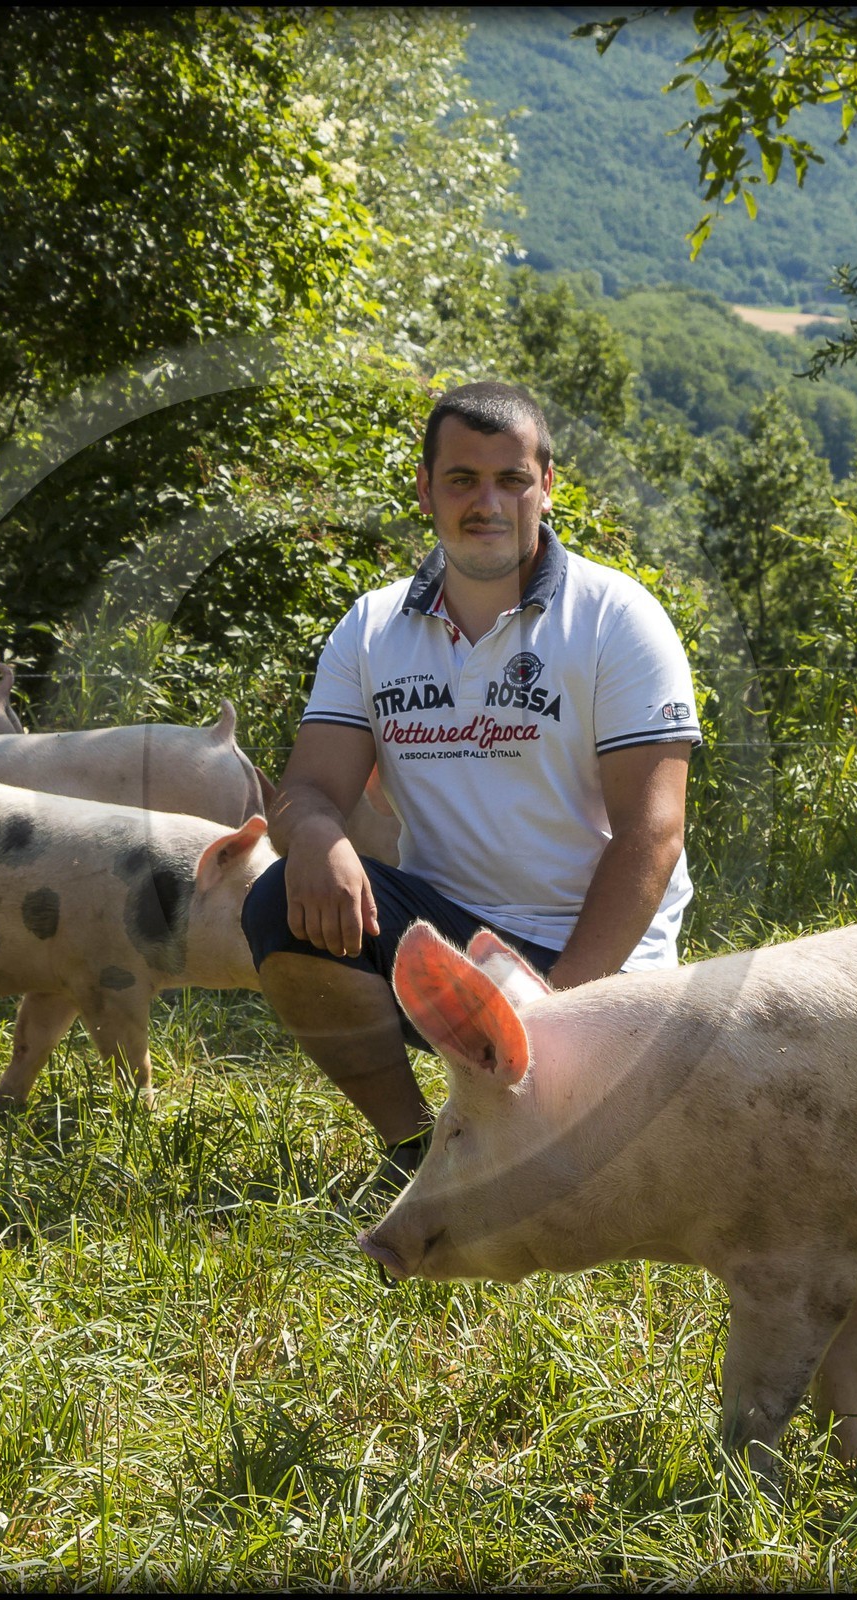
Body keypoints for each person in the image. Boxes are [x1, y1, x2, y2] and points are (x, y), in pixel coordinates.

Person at [241, 381, 701, 1190]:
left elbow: (652, 835)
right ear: (425, 489)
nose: (487, 503)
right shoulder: (373, 628)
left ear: (546, 487)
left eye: (512, 480)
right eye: (462, 480)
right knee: (279, 898)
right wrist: (318, 837)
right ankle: (418, 1155)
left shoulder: (616, 617)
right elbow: (308, 788)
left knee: (598, 1176)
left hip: (601, 960)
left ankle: (546, 1111)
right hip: (446, 952)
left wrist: (557, 1012)